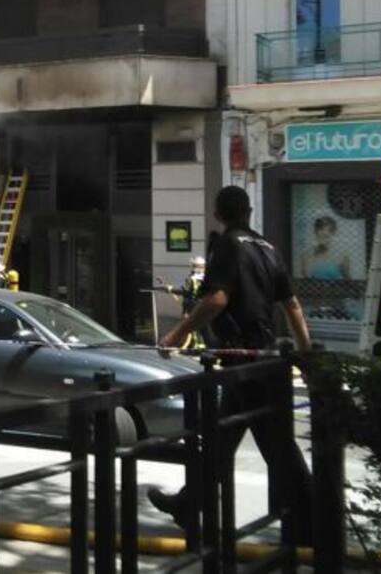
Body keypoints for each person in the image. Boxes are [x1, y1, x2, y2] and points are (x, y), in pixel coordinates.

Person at [150, 185, 314, 542]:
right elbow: (293, 305)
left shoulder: (226, 245)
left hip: (243, 359)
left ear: (218, 214)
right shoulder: (269, 248)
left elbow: (216, 299)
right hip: (266, 359)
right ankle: (188, 506)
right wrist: (306, 353)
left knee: (274, 445)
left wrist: (177, 334)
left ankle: (312, 521)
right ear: (249, 211)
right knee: (224, 440)